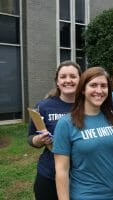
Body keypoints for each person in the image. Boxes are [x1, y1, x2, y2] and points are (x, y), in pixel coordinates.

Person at [52, 67, 113, 200]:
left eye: (104, 86)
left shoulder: (112, 118)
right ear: (83, 89)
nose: (99, 91)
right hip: (85, 195)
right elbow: (61, 171)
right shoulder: (66, 123)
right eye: (93, 85)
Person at [27, 61, 81, 200]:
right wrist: (38, 140)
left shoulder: (88, 105)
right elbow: (31, 137)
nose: (68, 80)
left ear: (80, 80)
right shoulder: (44, 106)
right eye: (63, 77)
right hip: (49, 174)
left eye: (73, 76)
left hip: (81, 175)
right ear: (57, 81)